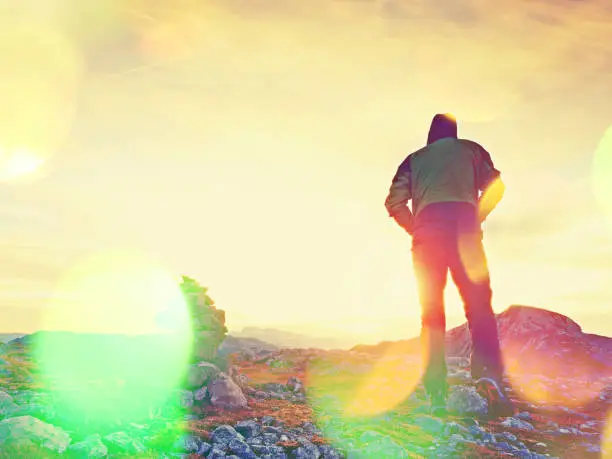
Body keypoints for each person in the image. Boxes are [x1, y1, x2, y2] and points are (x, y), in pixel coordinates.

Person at [384, 113, 513, 416]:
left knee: (432, 315)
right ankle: (488, 377)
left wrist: (415, 227)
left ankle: (436, 392)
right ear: (454, 133)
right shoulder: (471, 151)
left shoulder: (414, 160)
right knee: (479, 307)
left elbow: (394, 202)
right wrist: (476, 215)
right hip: (465, 232)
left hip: (428, 234)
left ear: (431, 134)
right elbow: (497, 187)